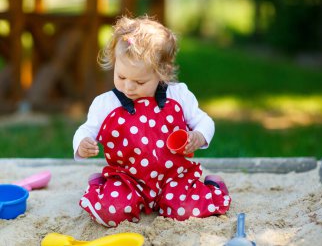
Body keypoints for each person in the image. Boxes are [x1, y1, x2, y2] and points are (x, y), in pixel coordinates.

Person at [73, 15, 231, 227]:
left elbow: (205, 121)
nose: (128, 87)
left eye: (139, 81)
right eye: (121, 77)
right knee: (111, 213)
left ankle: (214, 187)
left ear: (162, 73)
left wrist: (199, 135)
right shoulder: (106, 104)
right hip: (128, 180)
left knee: (185, 212)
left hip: (173, 177)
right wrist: (82, 144)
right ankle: (100, 186)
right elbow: (86, 130)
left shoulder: (178, 95)